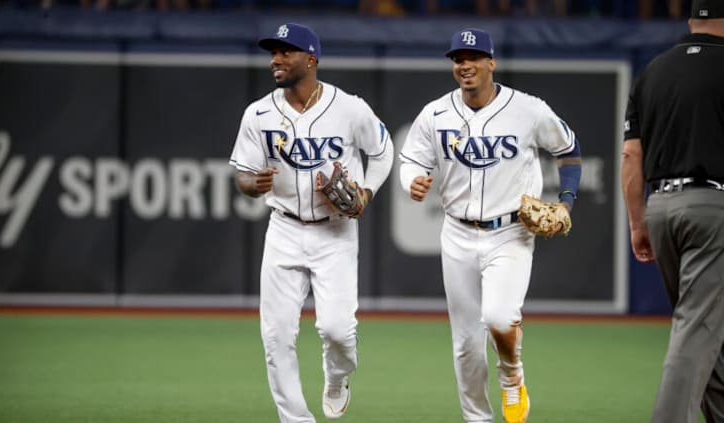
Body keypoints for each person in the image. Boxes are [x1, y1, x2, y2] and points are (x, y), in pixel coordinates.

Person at [398, 28, 582, 423]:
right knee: (466, 344)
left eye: (473, 57)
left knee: (499, 317)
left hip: (511, 233)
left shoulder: (528, 109)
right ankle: (477, 418)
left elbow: (568, 150)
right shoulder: (435, 113)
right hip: (457, 233)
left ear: (491, 63)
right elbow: (410, 159)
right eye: (457, 59)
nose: (464, 65)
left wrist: (566, 202)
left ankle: (512, 375)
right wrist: (410, 180)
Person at [229, 23, 394, 423]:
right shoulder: (259, 113)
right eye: (273, 53)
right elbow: (242, 175)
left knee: (338, 331)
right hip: (283, 227)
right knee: (276, 337)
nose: (276, 60)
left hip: (335, 230)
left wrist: (367, 193)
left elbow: (384, 152)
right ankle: (295, 419)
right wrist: (254, 184)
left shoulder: (349, 108)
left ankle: (337, 377)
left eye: (286, 52)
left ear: (311, 58)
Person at [621, 0, 724, 421]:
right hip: (714, 207)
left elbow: (631, 155)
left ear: (691, 18)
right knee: (697, 328)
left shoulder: (654, 70)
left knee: (708, 326)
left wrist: (638, 222)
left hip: (662, 208)